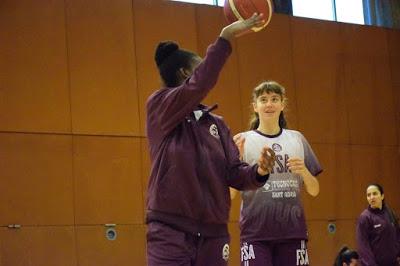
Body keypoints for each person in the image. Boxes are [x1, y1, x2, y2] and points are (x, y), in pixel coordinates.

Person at [145, 14, 277, 266]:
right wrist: (225, 38)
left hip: (214, 235)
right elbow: (199, 84)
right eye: (200, 66)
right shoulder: (159, 107)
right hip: (170, 232)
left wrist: (259, 171)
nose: (206, 71)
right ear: (185, 73)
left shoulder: (217, 124)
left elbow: (234, 174)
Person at [232, 81, 322, 266]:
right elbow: (229, 195)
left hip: (293, 232)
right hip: (255, 235)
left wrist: (304, 171)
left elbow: (314, 190)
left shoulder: (297, 139)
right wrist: (236, 164)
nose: (269, 104)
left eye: (274, 99)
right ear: (255, 106)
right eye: (263, 99)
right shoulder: (242, 141)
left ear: (283, 104)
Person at [356, 183, 400, 266]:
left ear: (382, 196)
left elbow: (397, 235)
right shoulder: (365, 217)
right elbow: (363, 247)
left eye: (375, 194)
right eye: (368, 195)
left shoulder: (390, 213)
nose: (372, 197)